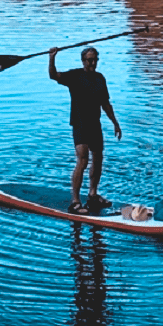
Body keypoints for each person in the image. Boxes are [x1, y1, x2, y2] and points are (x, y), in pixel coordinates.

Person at [49, 45, 122, 214]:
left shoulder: (100, 79)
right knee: (82, 160)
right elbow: (53, 75)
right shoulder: (75, 76)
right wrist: (52, 57)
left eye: (95, 60)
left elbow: (105, 104)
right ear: (83, 61)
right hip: (80, 124)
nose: (93, 63)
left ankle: (93, 194)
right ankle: (75, 201)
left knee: (98, 158)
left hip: (95, 124)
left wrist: (115, 123)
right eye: (90, 60)